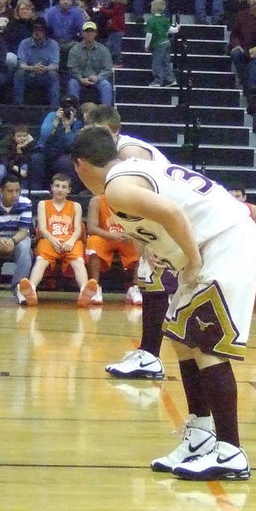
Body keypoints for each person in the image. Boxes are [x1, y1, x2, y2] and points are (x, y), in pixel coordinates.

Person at [72, 124, 256, 480]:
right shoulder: (130, 169)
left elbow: (174, 213)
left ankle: (230, 451)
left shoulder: (117, 186)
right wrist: (161, 251)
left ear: (81, 165)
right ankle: (201, 435)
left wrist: (191, 261)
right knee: (179, 337)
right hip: (217, 239)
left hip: (224, 242)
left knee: (207, 346)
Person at [86, 105, 172, 382]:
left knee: (156, 278)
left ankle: (152, 356)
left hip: (169, 212)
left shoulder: (128, 153)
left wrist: (147, 241)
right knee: (149, 279)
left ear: (113, 131)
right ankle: (149, 353)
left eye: (97, 133)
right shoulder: (116, 156)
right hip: (158, 215)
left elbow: (145, 198)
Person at [17, 173, 98, 307]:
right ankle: (31, 289)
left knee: (78, 260)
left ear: (69, 190)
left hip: (70, 240)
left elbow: (78, 229)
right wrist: (52, 239)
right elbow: (42, 228)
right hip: (49, 239)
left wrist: (71, 241)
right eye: (57, 186)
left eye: (63, 187)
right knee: (41, 260)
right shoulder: (43, 204)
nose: (60, 189)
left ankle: (84, 290)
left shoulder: (75, 205)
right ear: (52, 188)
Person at [0, 174, 33, 304]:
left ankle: (19, 287)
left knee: (25, 246)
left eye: (17, 191)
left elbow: (23, 231)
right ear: (1, 191)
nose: (15, 194)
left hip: (17, 239)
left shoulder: (26, 203)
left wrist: (12, 241)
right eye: (10, 191)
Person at [84, 194, 142, 305]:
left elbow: (138, 225)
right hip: (105, 237)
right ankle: (95, 287)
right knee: (93, 241)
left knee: (140, 242)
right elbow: (91, 228)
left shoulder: (131, 200)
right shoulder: (97, 200)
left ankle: (135, 288)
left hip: (125, 239)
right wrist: (113, 236)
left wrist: (130, 233)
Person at [13, 18, 61, 107]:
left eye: (40, 30)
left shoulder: (53, 44)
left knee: (53, 75)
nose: (37, 33)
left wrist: (45, 68)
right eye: (35, 30)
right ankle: (17, 105)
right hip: (29, 74)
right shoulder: (24, 43)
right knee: (19, 73)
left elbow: (55, 65)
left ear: (45, 32)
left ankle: (54, 107)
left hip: (45, 74)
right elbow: (21, 64)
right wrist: (32, 68)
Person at [67, 21, 113, 105]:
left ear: (96, 33)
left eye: (91, 32)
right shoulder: (75, 49)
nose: (89, 34)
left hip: (97, 80)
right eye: (87, 32)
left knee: (106, 85)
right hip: (80, 80)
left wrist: (97, 78)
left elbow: (108, 69)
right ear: (82, 33)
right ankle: (73, 111)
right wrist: (80, 78)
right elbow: (71, 68)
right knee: (72, 83)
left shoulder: (103, 50)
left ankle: (105, 113)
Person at [145, 0, 179, 87]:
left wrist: (146, 45)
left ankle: (157, 80)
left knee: (157, 62)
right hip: (167, 43)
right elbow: (172, 30)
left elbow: (149, 34)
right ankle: (171, 79)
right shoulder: (165, 20)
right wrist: (177, 28)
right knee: (166, 62)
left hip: (158, 45)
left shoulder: (151, 21)